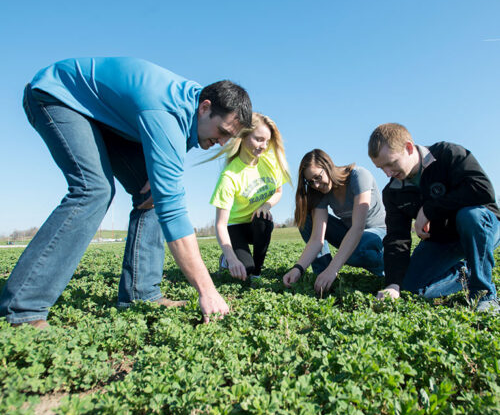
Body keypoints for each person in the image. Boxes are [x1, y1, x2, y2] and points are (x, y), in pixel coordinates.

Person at [1, 57, 252, 328]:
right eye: (223, 132)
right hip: (57, 96)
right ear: (205, 108)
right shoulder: (165, 112)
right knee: (94, 189)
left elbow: (168, 177)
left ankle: (141, 294)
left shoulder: (192, 108)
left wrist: (157, 184)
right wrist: (208, 291)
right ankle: (23, 309)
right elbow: (173, 209)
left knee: (152, 195)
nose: (223, 143)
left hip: (105, 118)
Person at [368, 123, 500, 313]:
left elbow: (481, 189)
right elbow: (397, 239)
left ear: (409, 147)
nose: (388, 173)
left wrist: (430, 209)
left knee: (469, 216)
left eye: (391, 163)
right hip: (443, 240)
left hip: (480, 227)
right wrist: (393, 284)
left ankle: (484, 295)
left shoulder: (448, 154)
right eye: (381, 168)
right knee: (411, 288)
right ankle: (463, 274)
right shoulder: (392, 192)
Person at [283, 149, 386, 294]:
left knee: (359, 245)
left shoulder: (358, 176)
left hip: (378, 235)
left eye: (318, 177)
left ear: (328, 166)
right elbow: (316, 239)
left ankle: (388, 267)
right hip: (351, 234)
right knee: (306, 218)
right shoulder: (321, 192)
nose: (316, 185)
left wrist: (333, 268)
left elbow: (358, 227)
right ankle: (323, 276)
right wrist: (297, 268)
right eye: (311, 182)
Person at [210, 113, 290, 281]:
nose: (264, 146)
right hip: (235, 227)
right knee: (243, 270)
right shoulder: (230, 175)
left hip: (256, 224)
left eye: (267, 141)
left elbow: (278, 192)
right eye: (259, 139)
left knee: (264, 219)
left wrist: (266, 205)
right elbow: (220, 225)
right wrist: (232, 259)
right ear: (243, 136)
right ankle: (227, 260)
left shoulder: (270, 161)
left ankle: (257, 274)